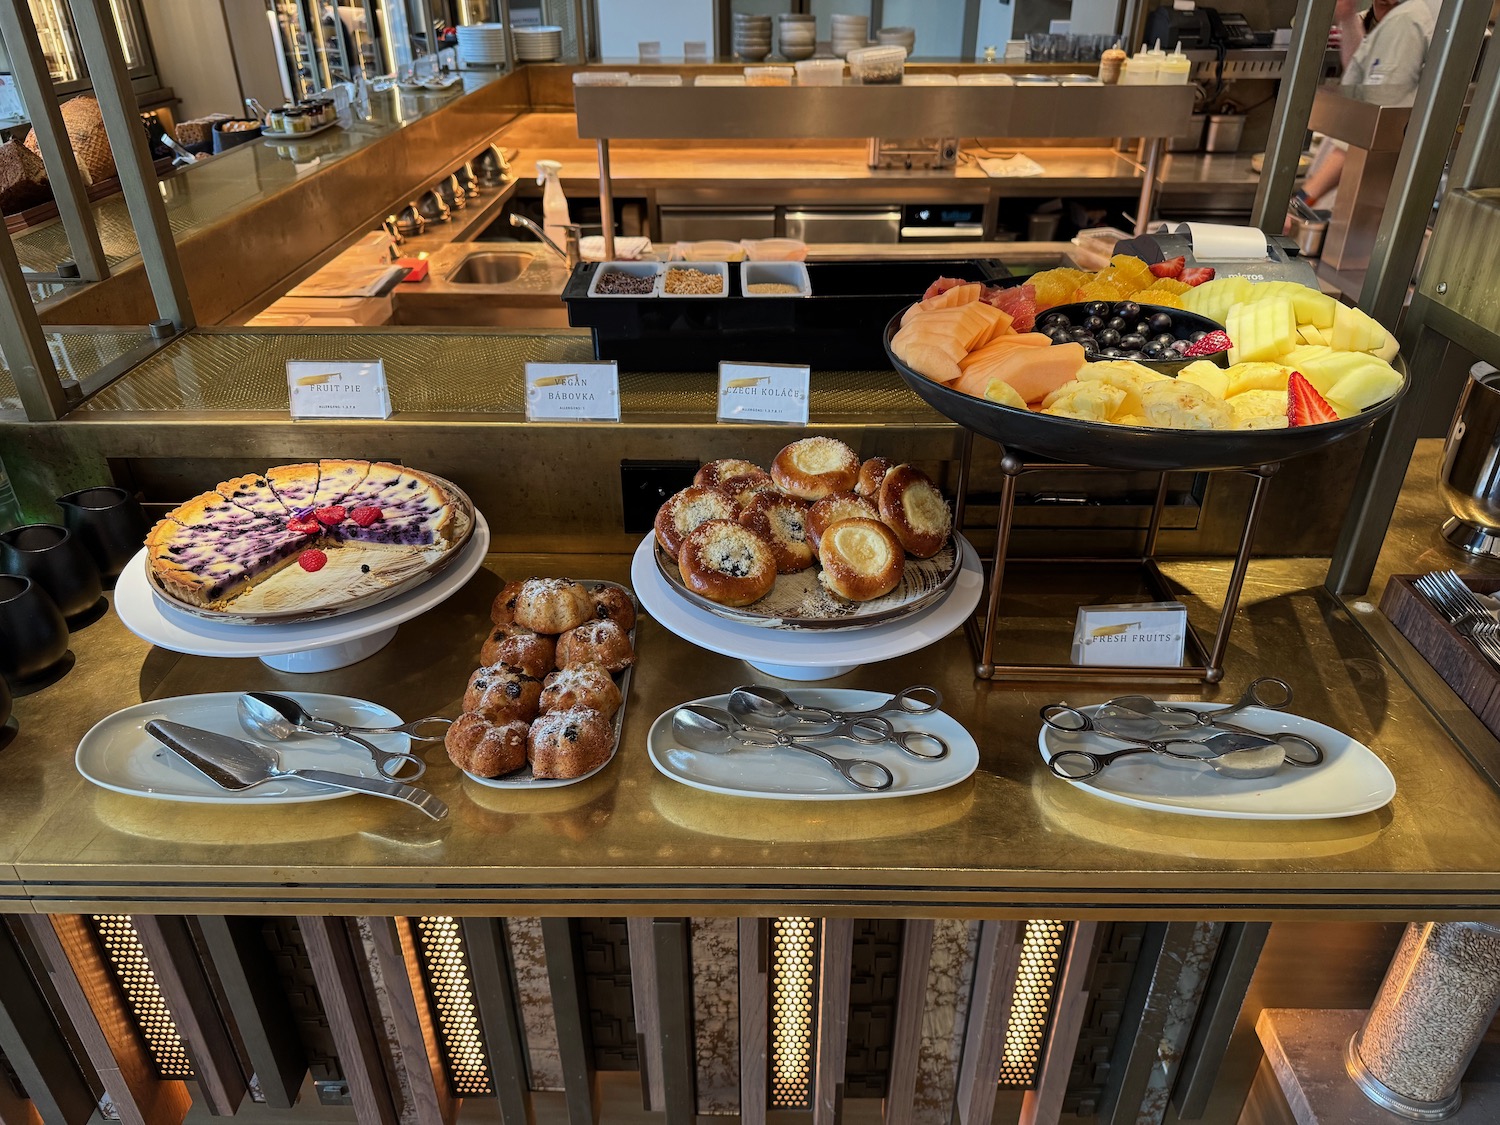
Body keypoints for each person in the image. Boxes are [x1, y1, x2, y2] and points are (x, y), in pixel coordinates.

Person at [1295, 0, 1442, 209]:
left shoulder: (1407, 21)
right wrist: (1347, 16)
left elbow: (1370, 127)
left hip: (1364, 194)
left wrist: (1303, 199)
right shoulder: (1438, 12)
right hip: (1382, 186)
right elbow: (1366, 72)